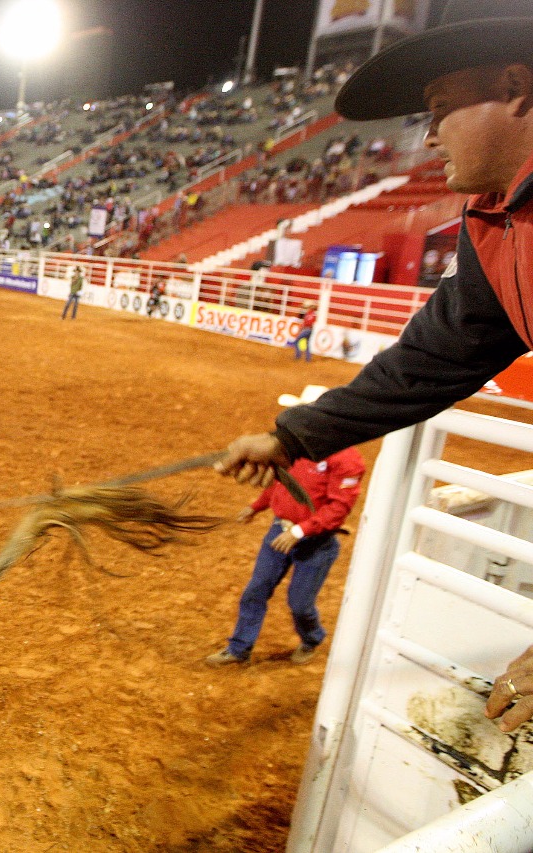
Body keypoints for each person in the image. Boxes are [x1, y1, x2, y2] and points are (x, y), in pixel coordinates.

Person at [212, 0, 533, 730]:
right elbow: (429, 359)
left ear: (516, 85)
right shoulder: (496, 223)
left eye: (442, 108)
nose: (427, 135)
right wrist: (296, 436)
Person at [207, 385, 365, 666]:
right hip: (280, 531)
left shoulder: (346, 459)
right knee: (256, 590)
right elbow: (281, 485)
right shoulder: (293, 449)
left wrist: (299, 531)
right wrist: (257, 506)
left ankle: (312, 637)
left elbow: (338, 509)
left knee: (300, 604)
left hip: (315, 542)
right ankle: (239, 648)